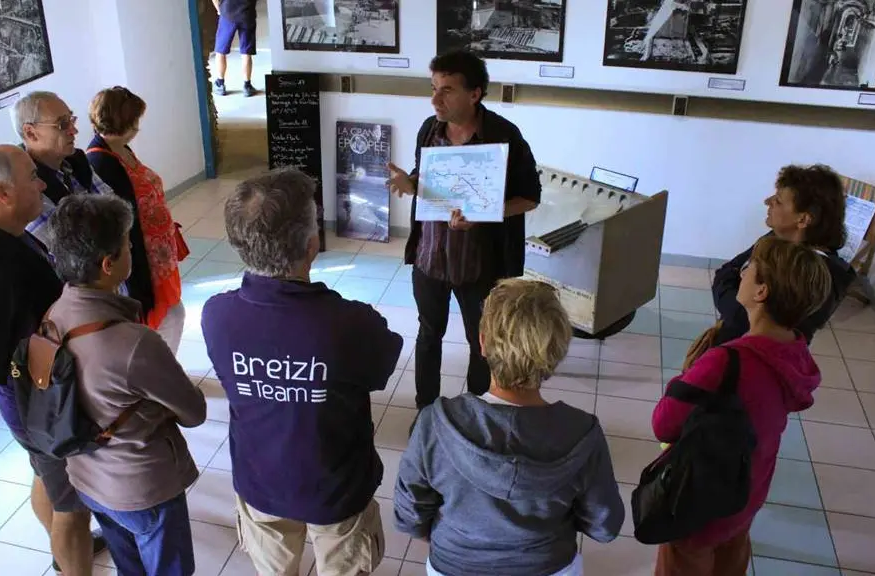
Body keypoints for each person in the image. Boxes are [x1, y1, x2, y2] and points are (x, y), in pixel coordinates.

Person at [201, 168, 403, 575]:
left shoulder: (216, 315)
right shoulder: (350, 324)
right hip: (336, 488)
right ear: (312, 246)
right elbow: (381, 368)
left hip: (260, 481)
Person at [394, 278, 625, 576]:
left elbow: (409, 516)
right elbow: (605, 526)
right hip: (549, 566)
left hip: (454, 566)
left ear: (482, 342)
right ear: (557, 353)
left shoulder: (435, 424)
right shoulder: (583, 433)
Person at [0, 144, 105, 576]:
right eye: (31, 177)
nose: (42, 183)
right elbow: (40, 354)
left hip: (23, 392)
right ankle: (70, 557)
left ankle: (62, 551)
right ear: (2, 193)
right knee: (72, 505)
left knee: (46, 476)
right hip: (34, 399)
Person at [45, 194, 207, 576]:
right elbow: (195, 412)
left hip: (87, 479)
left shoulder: (55, 316)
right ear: (107, 264)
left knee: (129, 566)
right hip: (140, 487)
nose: (131, 248)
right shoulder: (134, 343)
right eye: (127, 244)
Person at [652, 236, 831, 576]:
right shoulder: (796, 354)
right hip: (746, 496)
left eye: (749, 270)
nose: (742, 274)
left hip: (699, 504)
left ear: (761, 292)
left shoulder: (724, 361)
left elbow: (664, 424)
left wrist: (686, 377)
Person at [386, 49, 541, 416]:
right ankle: (426, 414)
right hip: (430, 257)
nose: (435, 99)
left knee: (481, 342)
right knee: (428, 336)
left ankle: (476, 413)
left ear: (475, 94)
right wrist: (412, 182)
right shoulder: (430, 129)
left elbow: (530, 198)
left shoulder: (505, 136)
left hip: (481, 265)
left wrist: (485, 212)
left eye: (447, 90)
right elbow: (431, 179)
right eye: (434, 88)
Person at [86, 87, 186, 352]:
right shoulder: (100, 161)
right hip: (143, 258)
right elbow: (117, 216)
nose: (139, 127)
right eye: (136, 120)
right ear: (126, 121)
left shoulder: (122, 149)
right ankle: (162, 371)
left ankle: (166, 368)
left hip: (158, 254)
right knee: (165, 318)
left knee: (173, 313)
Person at [711, 164, 855, 346]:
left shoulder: (820, 275)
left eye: (778, 201)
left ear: (803, 219)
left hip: (754, 360)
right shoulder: (778, 236)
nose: (767, 202)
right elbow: (726, 272)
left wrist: (731, 288)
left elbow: (742, 316)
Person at [11, 91, 115, 245]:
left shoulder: (76, 161)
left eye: (71, 120)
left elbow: (116, 211)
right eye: (63, 124)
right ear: (31, 133)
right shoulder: (26, 186)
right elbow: (69, 249)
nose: (74, 131)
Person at [212, 0, 259, 97]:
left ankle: (220, 84)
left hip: (227, 12)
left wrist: (219, 9)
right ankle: (247, 85)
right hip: (247, 14)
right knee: (246, 52)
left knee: (220, 51)